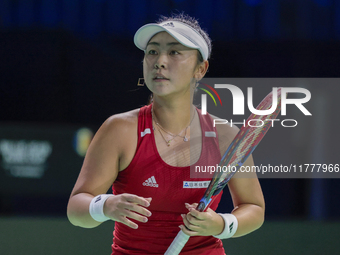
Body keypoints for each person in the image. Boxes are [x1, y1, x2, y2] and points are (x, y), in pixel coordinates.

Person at [67, 13, 265, 255]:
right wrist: (105, 206)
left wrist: (222, 224)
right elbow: (76, 210)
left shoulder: (224, 135)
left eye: (174, 52)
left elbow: (253, 207)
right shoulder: (119, 130)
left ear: (200, 69)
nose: (159, 61)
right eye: (152, 52)